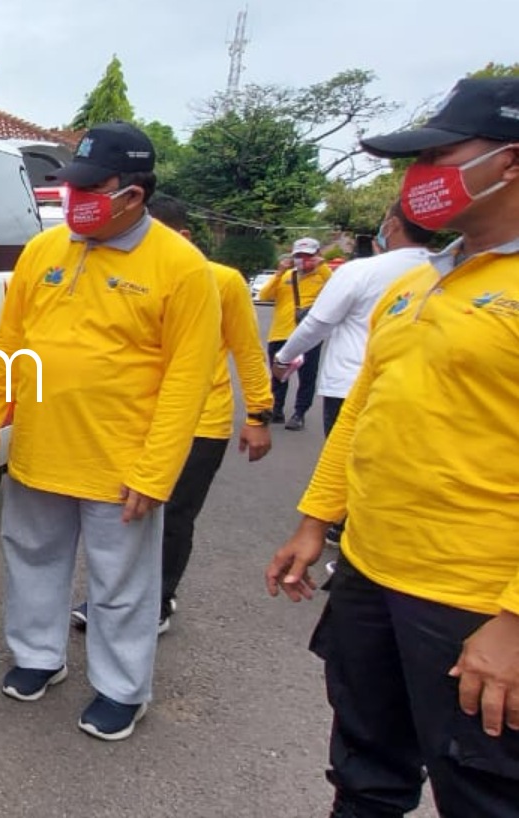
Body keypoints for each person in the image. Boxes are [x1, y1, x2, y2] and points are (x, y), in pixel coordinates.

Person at [265, 75, 519, 817]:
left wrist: (512, 623)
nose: (419, 177)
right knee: (364, 769)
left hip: (475, 600)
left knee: (483, 790)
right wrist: (314, 522)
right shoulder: (415, 287)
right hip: (370, 572)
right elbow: (361, 416)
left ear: (510, 162)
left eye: (440, 157)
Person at [0, 122, 220, 741]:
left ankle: (121, 688)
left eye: (90, 188)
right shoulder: (44, 250)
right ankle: (38, 655)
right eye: (72, 185)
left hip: (121, 463)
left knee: (121, 584)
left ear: (133, 194)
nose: (74, 198)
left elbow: (188, 380)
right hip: (40, 448)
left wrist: (156, 472)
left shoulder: (182, 268)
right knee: (32, 559)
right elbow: (9, 344)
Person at [70, 195, 273, 635]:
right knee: (125, 515)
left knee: (174, 514)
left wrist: (259, 415)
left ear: (182, 237)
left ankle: (159, 599)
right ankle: (111, 598)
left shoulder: (222, 280)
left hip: (202, 422)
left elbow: (248, 351)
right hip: (138, 419)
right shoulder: (117, 274)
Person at [271, 202, 436, 437]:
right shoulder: (447, 271)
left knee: (345, 457)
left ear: (392, 226)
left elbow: (317, 324)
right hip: (420, 389)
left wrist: (283, 359)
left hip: (351, 384)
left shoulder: (358, 270)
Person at [261, 237, 333, 430]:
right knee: (278, 375)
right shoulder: (286, 276)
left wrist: (322, 267)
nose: (303, 259)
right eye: (299, 256)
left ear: (317, 254)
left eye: (308, 255)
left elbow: (338, 288)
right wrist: (279, 272)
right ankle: (276, 409)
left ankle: (299, 413)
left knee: (307, 376)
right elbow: (264, 295)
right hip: (280, 333)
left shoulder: (323, 276)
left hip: (308, 335)